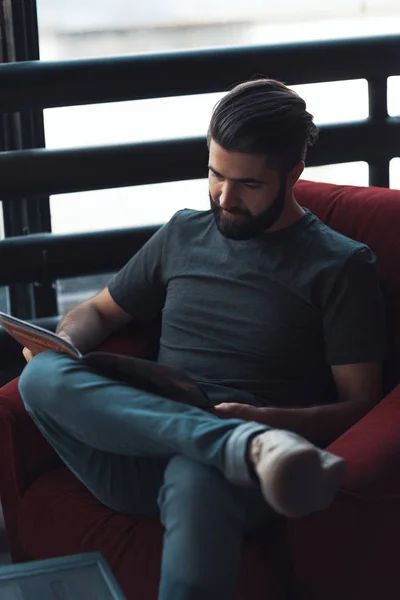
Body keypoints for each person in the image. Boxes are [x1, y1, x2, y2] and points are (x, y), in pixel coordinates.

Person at [19, 78, 386, 600]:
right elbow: (99, 310)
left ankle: (237, 445)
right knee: (41, 375)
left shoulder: (341, 265)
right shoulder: (183, 232)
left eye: (249, 185)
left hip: (234, 473)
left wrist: (267, 421)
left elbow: (361, 403)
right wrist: (64, 345)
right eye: (215, 175)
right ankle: (236, 445)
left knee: (199, 473)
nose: (225, 198)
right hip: (140, 448)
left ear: (294, 175)